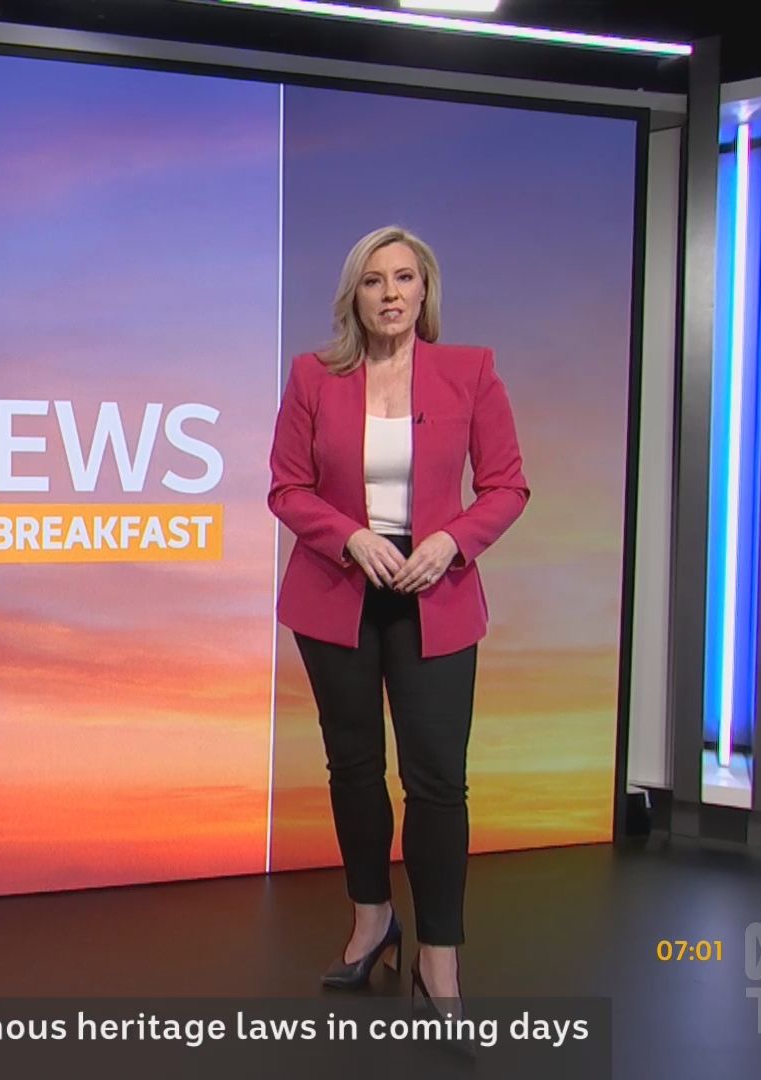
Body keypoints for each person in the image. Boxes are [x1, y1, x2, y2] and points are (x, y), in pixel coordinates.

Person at [265, 225, 528, 1019]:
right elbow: (286, 487)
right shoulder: (313, 376)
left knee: (437, 780)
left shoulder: (470, 371)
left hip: (434, 590)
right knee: (352, 766)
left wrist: (449, 542)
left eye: (405, 278)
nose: (391, 294)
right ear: (355, 295)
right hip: (339, 587)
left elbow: (507, 486)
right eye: (375, 280)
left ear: (425, 290)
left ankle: (439, 962)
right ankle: (372, 921)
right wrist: (349, 537)